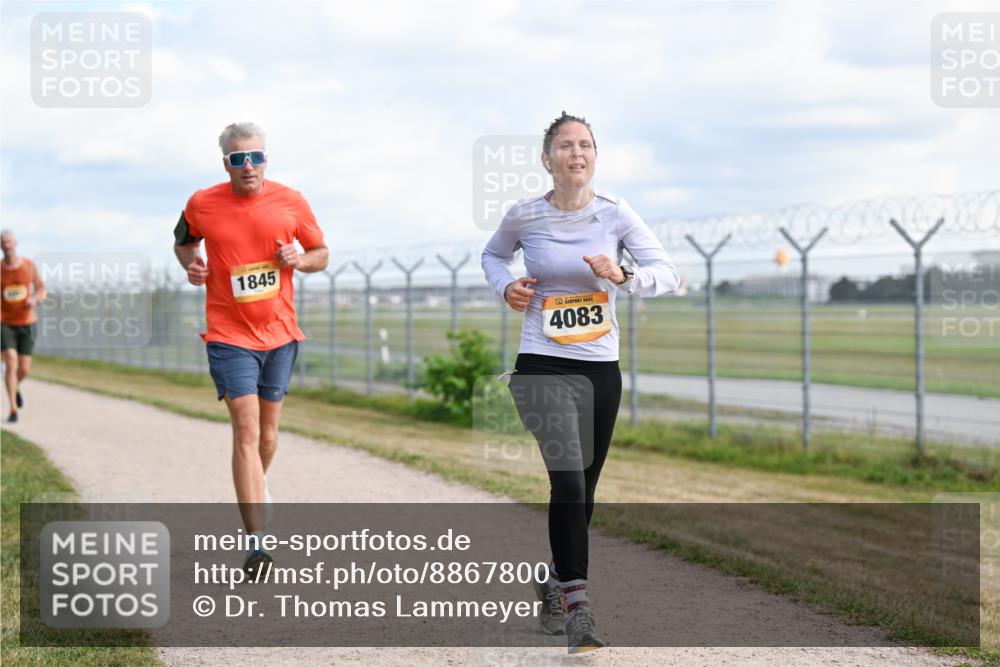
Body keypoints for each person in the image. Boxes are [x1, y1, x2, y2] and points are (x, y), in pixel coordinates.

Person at [481, 112, 680, 654]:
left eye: (586, 144)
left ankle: (553, 581)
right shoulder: (525, 215)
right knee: (567, 483)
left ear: (595, 156)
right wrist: (506, 287)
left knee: (584, 493)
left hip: (599, 370)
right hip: (542, 365)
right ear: (547, 159)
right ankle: (578, 609)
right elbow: (493, 254)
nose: (577, 152)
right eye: (565, 145)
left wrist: (623, 276)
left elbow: (668, 273)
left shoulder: (616, 214)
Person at [173, 122, 328, 576]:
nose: (248, 166)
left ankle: (255, 488)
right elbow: (183, 243)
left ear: (266, 159)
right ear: (226, 163)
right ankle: (256, 542)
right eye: (238, 159)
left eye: (256, 156)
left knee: (267, 436)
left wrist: (300, 260)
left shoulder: (291, 201)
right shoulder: (202, 203)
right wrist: (192, 266)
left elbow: (321, 253)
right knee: (245, 430)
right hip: (228, 334)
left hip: (280, 334)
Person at [1, 229, 46, 423]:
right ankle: (13, 409)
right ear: (1, 246)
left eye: (9, 242)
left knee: (24, 369)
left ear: (16, 243)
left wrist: (35, 298)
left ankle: (15, 386)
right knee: (11, 360)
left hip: (27, 322)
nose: (7, 245)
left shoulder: (28, 265)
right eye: (3, 242)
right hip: (4, 322)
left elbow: (42, 288)